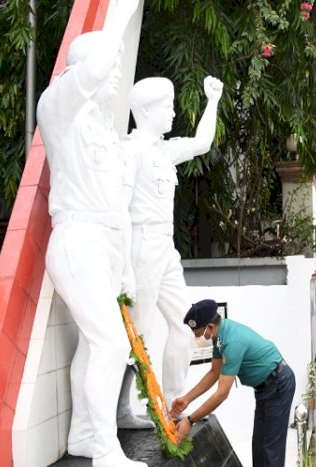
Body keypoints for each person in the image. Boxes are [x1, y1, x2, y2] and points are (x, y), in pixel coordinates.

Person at [36, 0, 148, 467]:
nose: (113, 78)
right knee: (109, 343)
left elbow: (117, 210)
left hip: (103, 243)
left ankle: (84, 434)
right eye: (109, 68)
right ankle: (106, 449)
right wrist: (120, 19)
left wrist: (124, 267)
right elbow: (98, 65)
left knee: (93, 343)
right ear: (82, 70)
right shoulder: (59, 110)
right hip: (76, 238)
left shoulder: (104, 131)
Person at [115, 75, 223, 426]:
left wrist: (213, 101)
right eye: (168, 106)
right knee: (136, 335)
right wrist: (125, 268)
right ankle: (118, 409)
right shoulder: (129, 150)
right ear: (145, 110)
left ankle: (172, 403)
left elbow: (202, 143)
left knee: (183, 326)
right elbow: (120, 208)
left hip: (165, 247)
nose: (174, 113)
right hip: (141, 245)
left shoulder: (163, 151)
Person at [172, 299, 296, 467]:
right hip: (266, 389)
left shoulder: (231, 342)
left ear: (209, 327)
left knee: (270, 453)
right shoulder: (220, 337)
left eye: (197, 333)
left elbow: (222, 393)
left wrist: (190, 420)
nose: (196, 339)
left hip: (278, 385)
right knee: (259, 448)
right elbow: (214, 373)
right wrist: (186, 399)